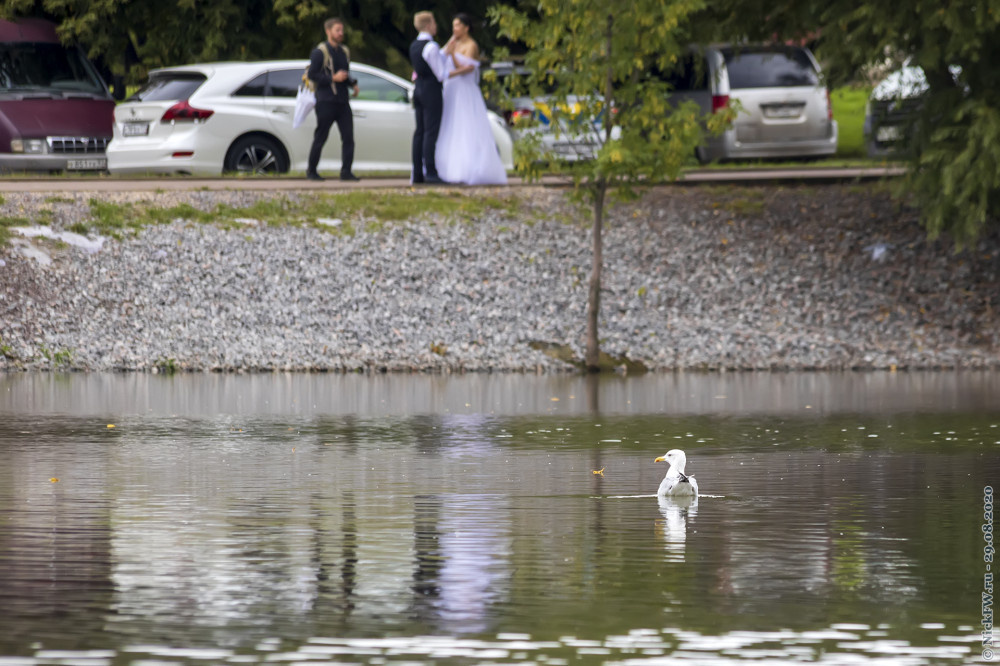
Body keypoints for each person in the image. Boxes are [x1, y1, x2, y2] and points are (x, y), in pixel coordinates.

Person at [435, 13, 507, 186]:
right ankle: (446, 167)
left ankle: (470, 168)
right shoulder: (454, 42)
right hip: (451, 89)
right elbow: (440, 56)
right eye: (454, 26)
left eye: (458, 25)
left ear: (466, 27)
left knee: (465, 124)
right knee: (449, 125)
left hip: (464, 89)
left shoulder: (471, 45)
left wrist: (452, 60)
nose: (455, 29)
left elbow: (467, 69)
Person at [306, 17, 360, 182]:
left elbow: (344, 73)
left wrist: (353, 84)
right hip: (326, 101)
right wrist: (332, 78)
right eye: (337, 30)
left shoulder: (344, 52)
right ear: (328, 31)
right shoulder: (320, 52)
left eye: (341, 30)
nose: (340, 33)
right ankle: (312, 170)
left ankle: (346, 172)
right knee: (321, 136)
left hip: (342, 101)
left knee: (348, 137)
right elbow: (312, 75)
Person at [410, 11, 446, 184]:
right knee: (430, 131)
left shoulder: (414, 45)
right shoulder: (431, 46)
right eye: (434, 22)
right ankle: (431, 171)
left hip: (418, 89)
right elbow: (440, 74)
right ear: (428, 25)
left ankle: (417, 173)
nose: (436, 26)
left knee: (419, 131)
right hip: (431, 90)